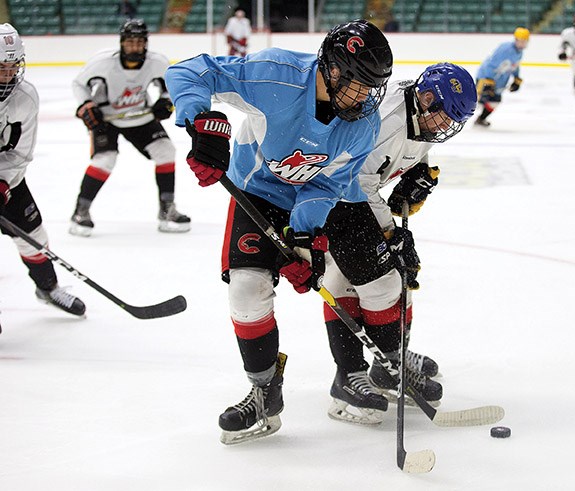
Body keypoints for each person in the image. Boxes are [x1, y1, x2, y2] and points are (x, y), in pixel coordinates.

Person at [165, 19, 393, 444]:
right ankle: (264, 390)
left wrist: (303, 242)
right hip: (256, 192)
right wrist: (201, 120)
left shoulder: (364, 123)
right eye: (358, 83)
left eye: (372, 87)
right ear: (332, 68)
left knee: (342, 277)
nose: (364, 97)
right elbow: (191, 70)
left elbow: (329, 184)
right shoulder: (279, 76)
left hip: (307, 201)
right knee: (247, 292)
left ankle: (350, 372)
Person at [323, 62, 477, 425]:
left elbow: (408, 150)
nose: (446, 127)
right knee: (355, 281)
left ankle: (388, 360)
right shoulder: (387, 119)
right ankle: (350, 377)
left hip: (353, 197)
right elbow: (359, 182)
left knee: (398, 277)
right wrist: (389, 232)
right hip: (328, 195)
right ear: (425, 99)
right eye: (445, 117)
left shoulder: (420, 112)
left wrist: (417, 172)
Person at [69, 19, 190, 237]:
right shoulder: (103, 63)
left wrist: (166, 100)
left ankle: (167, 210)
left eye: (139, 42)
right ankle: (81, 211)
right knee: (105, 160)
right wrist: (85, 105)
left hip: (139, 117)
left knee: (166, 151)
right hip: (105, 119)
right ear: (121, 43)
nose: (134, 46)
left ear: (146, 43)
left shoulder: (158, 62)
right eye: (130, 42)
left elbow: (174, 85)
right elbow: (79, 84)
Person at [0, 23, 86, 318]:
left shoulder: (24, 97)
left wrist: (3, 185)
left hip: (7, 181)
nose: (9, 74)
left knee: (33, 235)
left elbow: (20, 152)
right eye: (2, 67)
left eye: (14, 65)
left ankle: (47, 287)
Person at [474, 27, 529, 127]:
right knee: (475, 101)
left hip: (499, 82)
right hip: (485, 78)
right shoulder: (505, 49)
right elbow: (491, 64)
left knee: (494, 102)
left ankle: (480, 119)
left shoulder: (519, 52)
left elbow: (514, 66)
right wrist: (488, 80)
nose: (523, 43)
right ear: (516, 39)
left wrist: (516, 79)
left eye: (525, 41)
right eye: (521, 41)